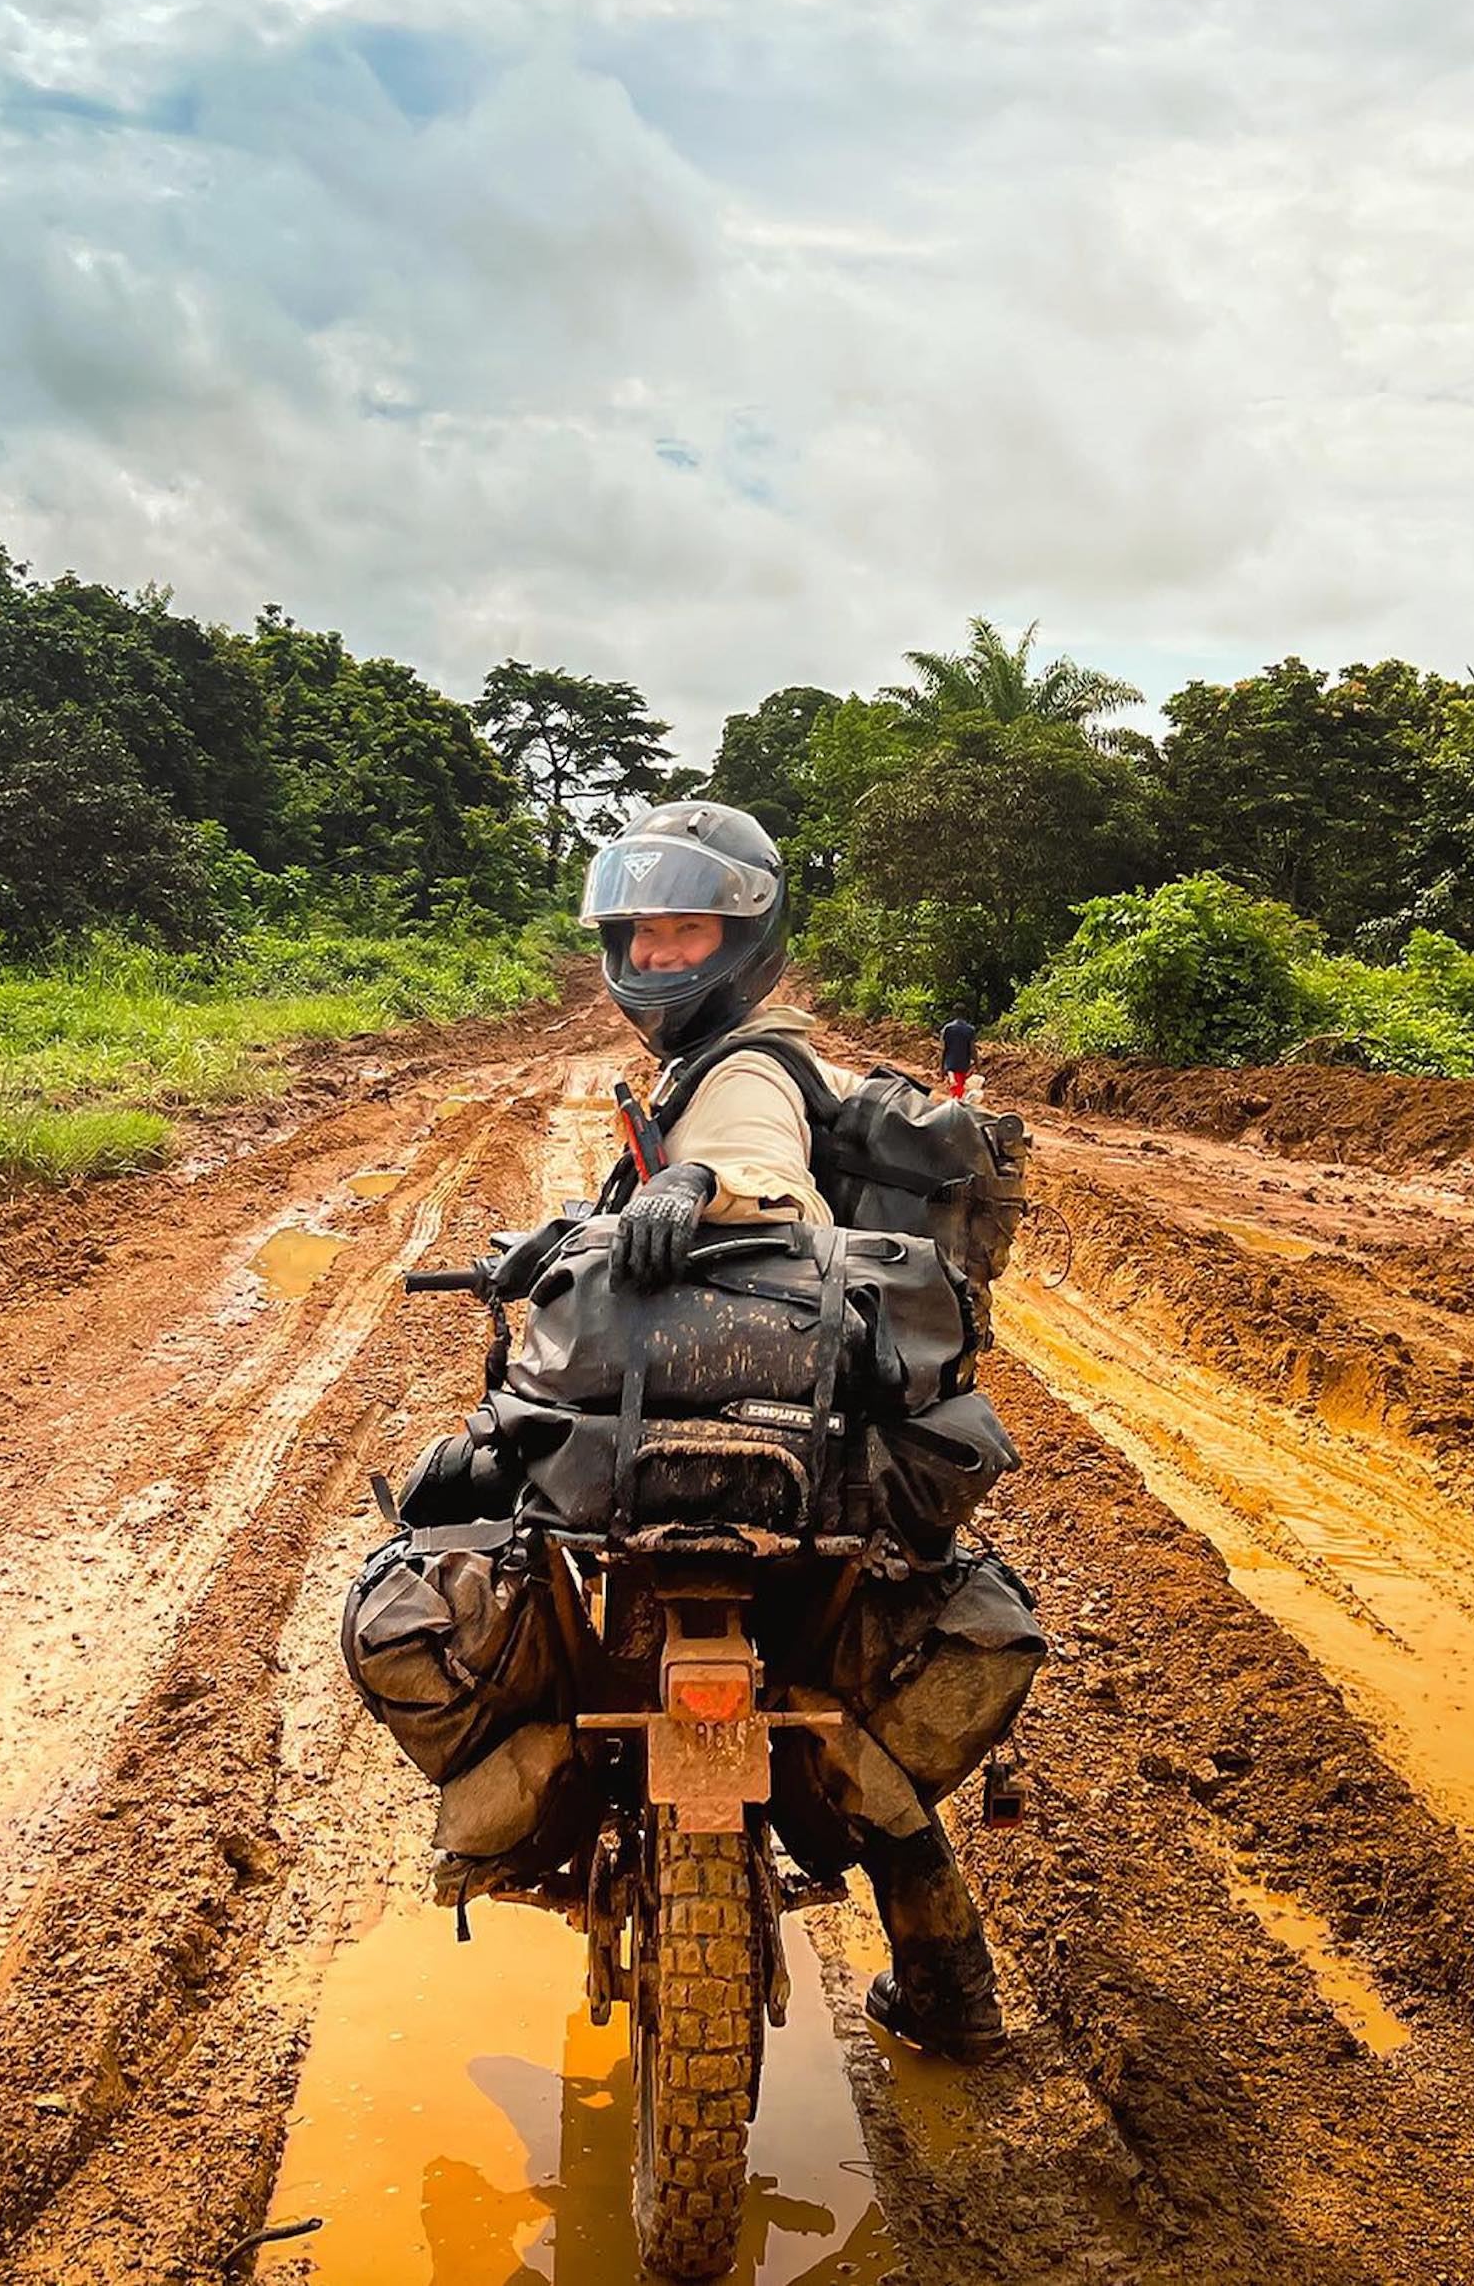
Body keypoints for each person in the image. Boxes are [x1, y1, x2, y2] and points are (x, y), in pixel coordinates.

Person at [581, 802, 1009, 2061]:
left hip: (720, 1419)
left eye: (684, 932)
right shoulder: (731, 1056)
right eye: (639, 936)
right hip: (806, 1437)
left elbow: (757, 1158)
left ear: (748, 932)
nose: (657, 959)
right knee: (847, 1704)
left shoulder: (749, 1066)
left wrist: (693, 1183)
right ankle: (951, 1992)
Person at [939, 1013, 977, 1103]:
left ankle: (955, 1101)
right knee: (960, 1086)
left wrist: (941, 1067)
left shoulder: (947, 1028)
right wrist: (977, 1062)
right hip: (963, 1063)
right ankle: (956, 1102)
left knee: (955, 1085)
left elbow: (943, 1049)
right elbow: (972, 1049)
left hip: (950, 1062)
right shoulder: (970, 1030)